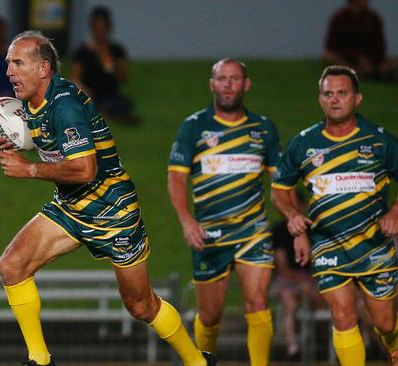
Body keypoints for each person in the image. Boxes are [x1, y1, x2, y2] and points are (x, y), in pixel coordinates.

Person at [0, 31, 215, 366]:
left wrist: (30, 170)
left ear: (43, 69)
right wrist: (14, 139)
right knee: (12, 266)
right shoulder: (30, 102)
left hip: (113, 212)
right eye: (9, 62)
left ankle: (197, 362)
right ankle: (40, 360)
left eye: (18, 62)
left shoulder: (65, 104)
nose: (9, 70)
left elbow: (84, 169)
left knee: (141, 306)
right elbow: (51, 144)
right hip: (71, 207)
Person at [271, 65, 398, 365]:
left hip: (374, 244)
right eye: (328, 94)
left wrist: (395, 210)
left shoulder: (380, 140)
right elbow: (279, 189)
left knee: (385, 323)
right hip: (328, 244)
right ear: (320, 100)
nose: (335, 99)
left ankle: (393, 345)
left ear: (357, 99)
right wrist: (293, 218)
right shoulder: (304, 143)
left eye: (342, 93)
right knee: (342, 316)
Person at [167, 58, 280, 365]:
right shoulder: (194, 127)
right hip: (210, 233)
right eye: (222, 78)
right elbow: (177, 177)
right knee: (210, 315)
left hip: (253, 231)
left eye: (234, 79)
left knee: (258, 303)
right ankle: (206, 360)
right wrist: (187, 220)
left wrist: (294, 211)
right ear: (211, 85)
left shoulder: (263, 129)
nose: (228, 84)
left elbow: (280, 183)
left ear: (246, 85)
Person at [270, 190, 318, 360]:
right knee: (290, 302)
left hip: (310, 280)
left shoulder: (314, 229)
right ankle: (292, 346)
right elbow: (282, 268)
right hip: (288, 280)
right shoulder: (279, 231)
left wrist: (310, 282)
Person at [70, 6, 135, 123]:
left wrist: (107, 61)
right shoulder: (83, 51)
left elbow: (123, 77)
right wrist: (83, 89)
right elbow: (75, 77)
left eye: (103, 28)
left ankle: (105, 115)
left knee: (121, 104)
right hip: (90, 94)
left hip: (110, 95)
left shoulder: (116, 50)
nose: (100, 32)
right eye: (97, 28)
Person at [323, 0, 398, 80]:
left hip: (370, 61)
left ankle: (370, 73)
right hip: (346, 60)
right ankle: (355, 72)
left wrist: (370, 60)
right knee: (329, 56)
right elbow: (331, 47)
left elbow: (380, 47)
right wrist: (356, 58)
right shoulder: (339, 18)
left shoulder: (374, 19)